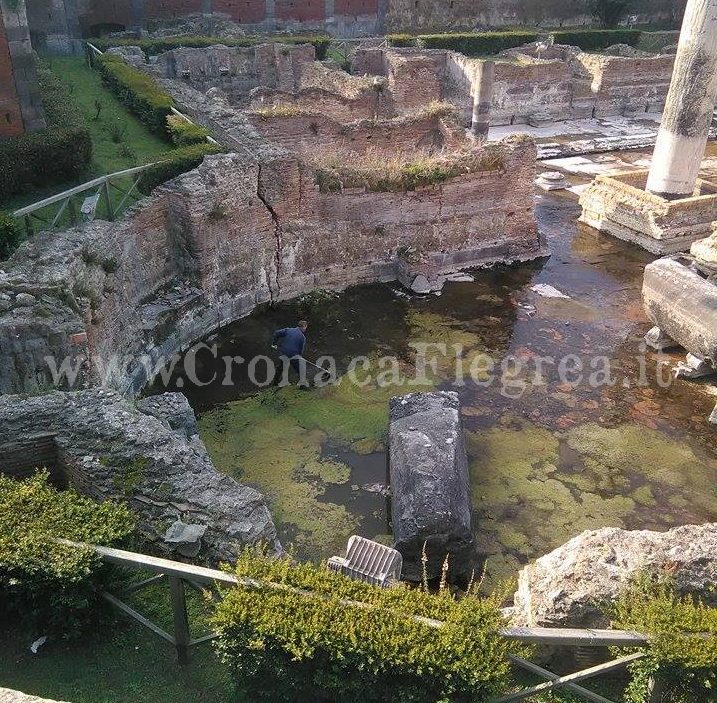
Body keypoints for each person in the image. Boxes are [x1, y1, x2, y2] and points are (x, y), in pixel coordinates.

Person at [272, 320, 309, 387]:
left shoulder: (288, 330)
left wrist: (274, 343)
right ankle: (303, 386)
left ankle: (275, 383)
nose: (305, 329)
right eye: (306, 327)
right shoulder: (303, 338)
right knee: (300, 370)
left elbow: (276, 333)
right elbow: (300, 350)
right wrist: (299, 357)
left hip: (284, 353)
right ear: (303, 327)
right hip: (293, 355)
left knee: (280, 368)